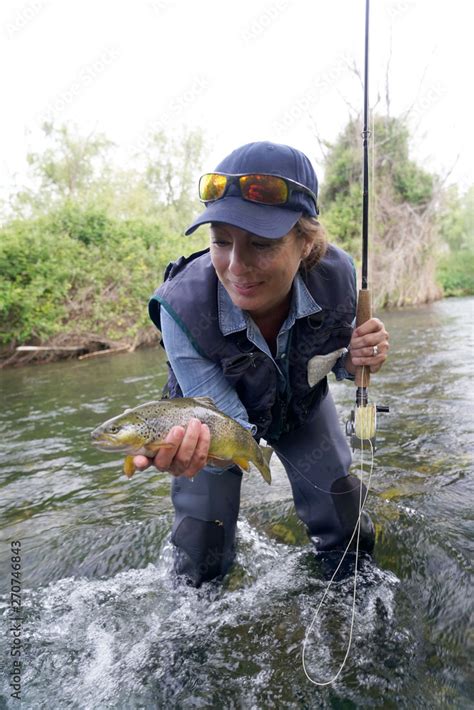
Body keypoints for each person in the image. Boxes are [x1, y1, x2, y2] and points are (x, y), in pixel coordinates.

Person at [134, 141, 389, 587]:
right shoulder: (180, 308)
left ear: (305, 242)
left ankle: (351, 599)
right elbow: (226, 426)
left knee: (345, 526)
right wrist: (200, 455)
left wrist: (357, 358)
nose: (236, 266)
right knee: (201, 553)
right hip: (209, 422)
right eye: (220, 242)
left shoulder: (338, 275)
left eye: (261, 243)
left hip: (300, 409)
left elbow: (335, 360)